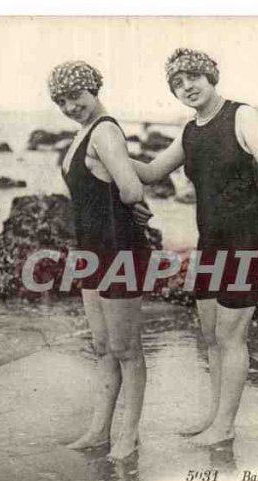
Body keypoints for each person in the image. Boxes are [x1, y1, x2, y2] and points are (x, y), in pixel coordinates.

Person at [131, 48, 258, 446]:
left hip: (246, 237)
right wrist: (107, 146)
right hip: (210, 241)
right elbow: (150, 172)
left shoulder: (242, 115)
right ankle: (215, 416)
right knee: (211, 334)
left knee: (232, 337)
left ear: (211, 76)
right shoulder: (190, 131)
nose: (187, 87)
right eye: (178, 83)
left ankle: (226, 426)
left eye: (193, 78)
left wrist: (251, 197)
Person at [48, 60, 150, 460]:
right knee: (103, 346)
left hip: (119, 250)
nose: (71, 106)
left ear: (94, 89)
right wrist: (137, 203)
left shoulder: (105, 130)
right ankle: (98, 431)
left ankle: (128, 435)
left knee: (126, 348)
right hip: (92, 251)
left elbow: (128, 188)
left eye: (77, 96)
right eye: (62, 100)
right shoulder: (84, 133)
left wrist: (136, 205)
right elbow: (124, 186)